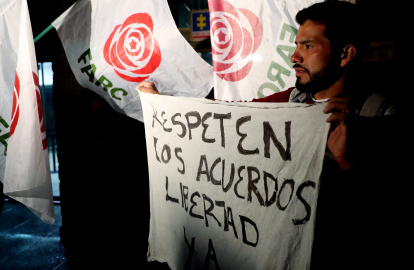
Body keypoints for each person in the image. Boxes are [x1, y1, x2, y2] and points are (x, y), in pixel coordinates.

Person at [137, 1, 408, 268]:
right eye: (296, 45)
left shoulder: (381, 115)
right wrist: (160, 105)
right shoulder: (287, 103)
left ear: (345, 53)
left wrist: (350, 164)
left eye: (308, 46)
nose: (295, 56)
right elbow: (223, 119)